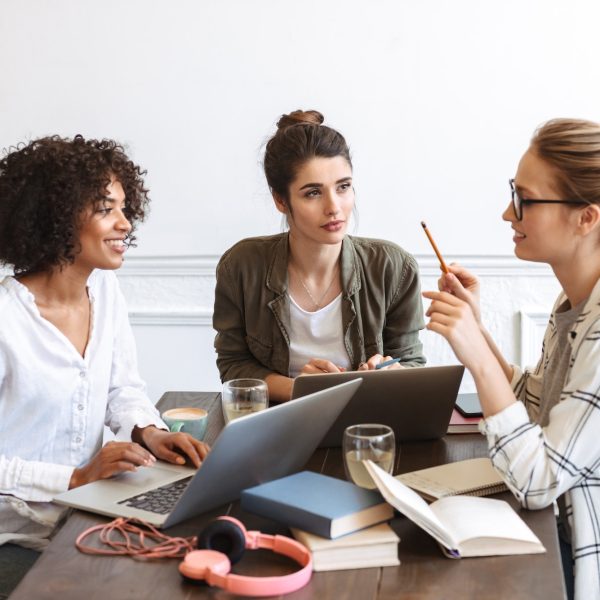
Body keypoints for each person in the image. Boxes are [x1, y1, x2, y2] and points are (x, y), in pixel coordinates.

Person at [0, 135, 208, 597]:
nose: (124, 223)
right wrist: (73, 478)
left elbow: (122, 389)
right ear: (55, 216)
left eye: (124, 207)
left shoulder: (106, 293)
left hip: (83, 514)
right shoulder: (5, 320)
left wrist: (149, 431)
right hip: (13, 536)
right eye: (105, 208)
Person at [423, 118, 600, 600]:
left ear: (586, 217)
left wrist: (478, 359)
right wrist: (478, 330)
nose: (507, 213)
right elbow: (537, 409)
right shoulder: (576, 304)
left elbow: (538, 480)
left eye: (525, 198)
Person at [213, 110, 426, 402]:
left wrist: (389, 374)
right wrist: (301, 390)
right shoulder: (241, 266)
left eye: (343, 187)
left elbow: (413, 363)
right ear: (280, 200)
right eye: (313, 193)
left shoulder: (393, 266)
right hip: (278, 422)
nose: (334, 207)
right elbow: (233, 365)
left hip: (367, 424)